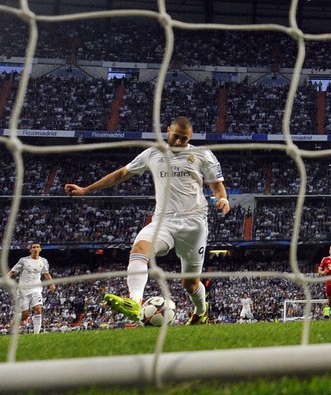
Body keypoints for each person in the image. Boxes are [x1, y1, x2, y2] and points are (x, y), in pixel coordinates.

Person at [64, 116, 228, 325]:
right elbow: (122, 173)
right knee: (139, 249)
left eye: (184, 139)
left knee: (190, 284)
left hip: (194, 224)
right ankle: (134, 301)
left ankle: (201, 311)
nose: (179, 143)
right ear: (168, 131)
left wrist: (222, 199)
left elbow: (217, 186)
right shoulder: (152, 154)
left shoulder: (202, 154)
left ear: (190, 137)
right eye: (176, 137)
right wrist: (87, 189)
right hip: (164, 221)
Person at [7, 242, 55, 334]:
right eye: (33, 247)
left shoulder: (43, 261)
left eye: (37, 247)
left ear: (40, 249)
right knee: (25, 315)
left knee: (38, 309)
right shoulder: (23, 260)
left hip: (36, 289)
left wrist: (52, 284)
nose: (36, 249)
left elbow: (46, 274)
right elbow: (12, 271)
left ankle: (36, 334)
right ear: (30, 250)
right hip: (23, 290)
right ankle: (14, 322)